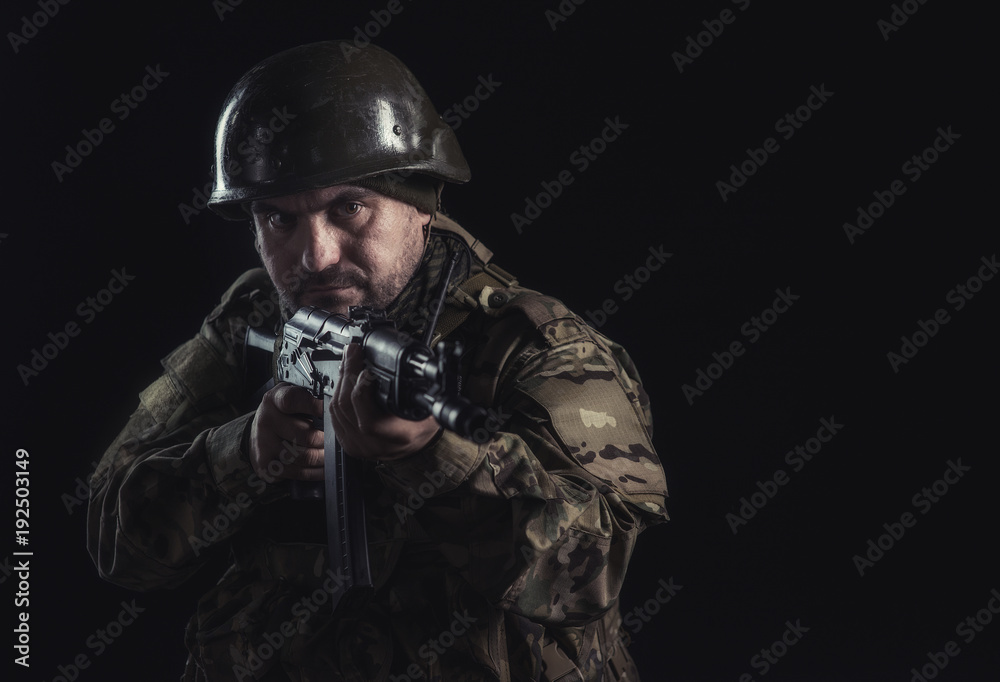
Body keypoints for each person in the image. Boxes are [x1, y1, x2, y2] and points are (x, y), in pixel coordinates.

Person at [87, 40, 668, 681]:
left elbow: (588, 577)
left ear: (421, 205)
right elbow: (116, 544)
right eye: (278, 219)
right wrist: (241, 453)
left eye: (349, 208)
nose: (315, 257)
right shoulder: (252, 320)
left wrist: (434, 458)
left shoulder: (536, 347)